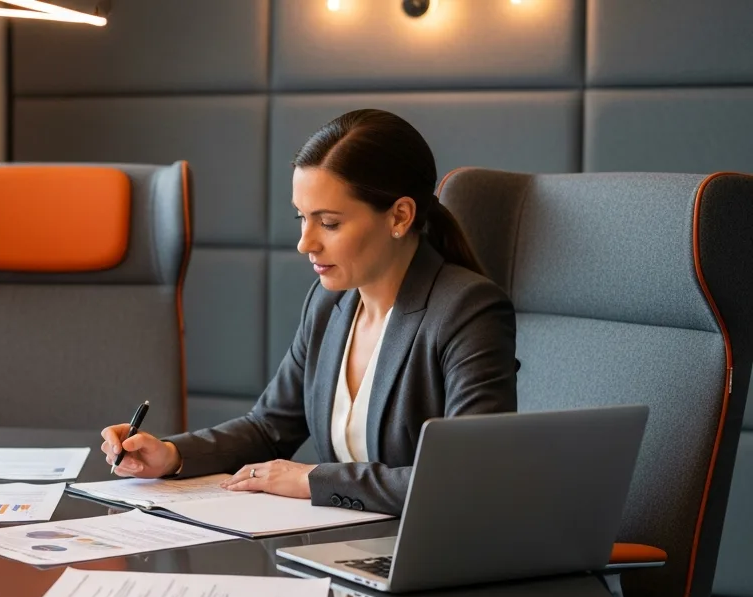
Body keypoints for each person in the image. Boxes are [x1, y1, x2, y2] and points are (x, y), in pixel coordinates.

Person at [100, 109, 518, 514]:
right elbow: (268, 429)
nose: (305, 243)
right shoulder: (328, 302)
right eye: (302, 217)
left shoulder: (467, 310)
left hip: (425, 555)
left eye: (329, 223)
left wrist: (313, 479)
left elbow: (467, 478)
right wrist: (171, 456)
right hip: (337, 544)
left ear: (400, 216)